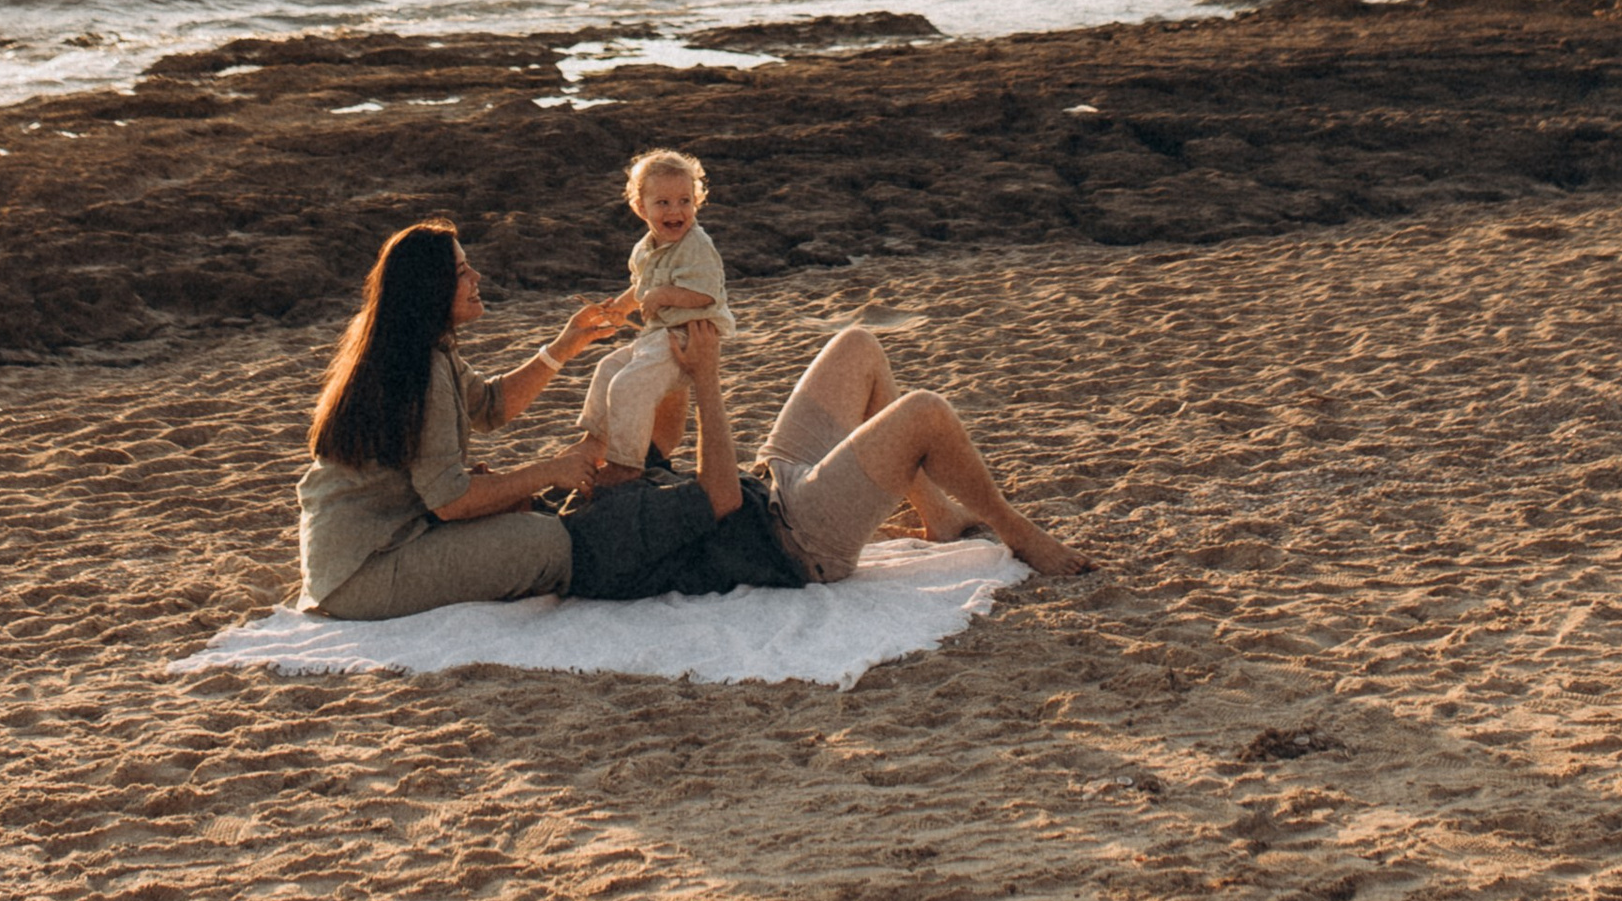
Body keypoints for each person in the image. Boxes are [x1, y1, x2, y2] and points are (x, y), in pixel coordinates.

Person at [296, 223, 630, 619]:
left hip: (364, 550)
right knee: (547, 542)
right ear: (430, 287)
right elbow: (451, 501)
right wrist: (549, 470)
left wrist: (565, 344)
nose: (477, 278)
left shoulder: (416, 344)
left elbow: (489, 405)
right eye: (461, 272)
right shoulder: (418, 368)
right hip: (364, 570)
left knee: (530, 519)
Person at [745, 320, 1091, 581]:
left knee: (858, 346)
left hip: (765, 482)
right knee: (925, 413)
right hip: (791, 534)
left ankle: (939, 514)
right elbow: (714, 502)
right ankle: (1017, 531)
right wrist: (702, 375)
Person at [578, 147, 735, 475]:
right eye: (662, 202)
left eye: (685, 201)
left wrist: (664, 294)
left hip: (688, 338)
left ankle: (626, 464)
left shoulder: (697, 247)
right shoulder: (646, 248)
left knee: (629, 385)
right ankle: (594, 442)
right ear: (640, 207)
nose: (675, 210)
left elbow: (705, 295)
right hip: (657, 336)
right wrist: (622, 307)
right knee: (608, 368)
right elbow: (643, 287)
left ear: (696, 201)